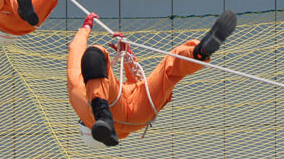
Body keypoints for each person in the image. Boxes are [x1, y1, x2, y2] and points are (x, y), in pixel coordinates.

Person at [68, 9, 237, 147]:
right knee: (96, 53)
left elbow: (134, 85)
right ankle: (196, 53)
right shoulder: (79, 102)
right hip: (115, 105)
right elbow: (76, 52)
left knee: (168, 74)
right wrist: (85, 28)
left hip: (140, 116)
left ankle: (200, 53)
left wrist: (127, 57)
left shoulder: (122, 129)